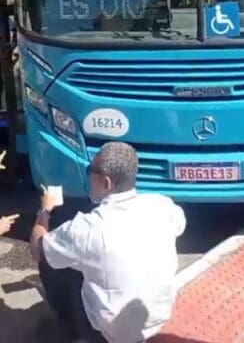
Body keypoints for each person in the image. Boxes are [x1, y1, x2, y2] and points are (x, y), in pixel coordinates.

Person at [29, 142, 186, 343]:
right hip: (157, 318)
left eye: (90, 171)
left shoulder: (85, 228)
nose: (88, 176)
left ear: (107, 182)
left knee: (50, 259)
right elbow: (179, 225)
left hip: (110, 334)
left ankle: (71, 329)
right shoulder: (163, 205)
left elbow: (37, 247)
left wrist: (44, 211)